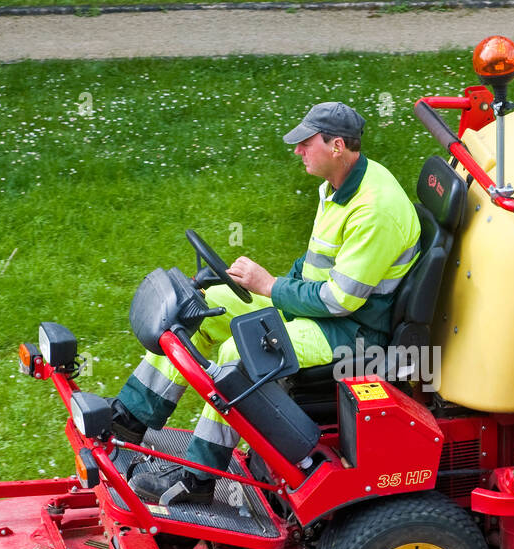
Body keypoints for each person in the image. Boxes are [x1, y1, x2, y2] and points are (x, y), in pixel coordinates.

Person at [111, 101, 422, 506]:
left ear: (337, 146)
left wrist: (270, 285)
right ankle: (130, 420)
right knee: (203, 308)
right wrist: (270, 285)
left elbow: (339, 300)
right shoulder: (336, 187)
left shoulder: (375, 210)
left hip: (351, 333)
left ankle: (199, 478)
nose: (297, 151)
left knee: (240, 351)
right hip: (321, 313)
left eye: (305, 144)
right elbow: (316, 264)